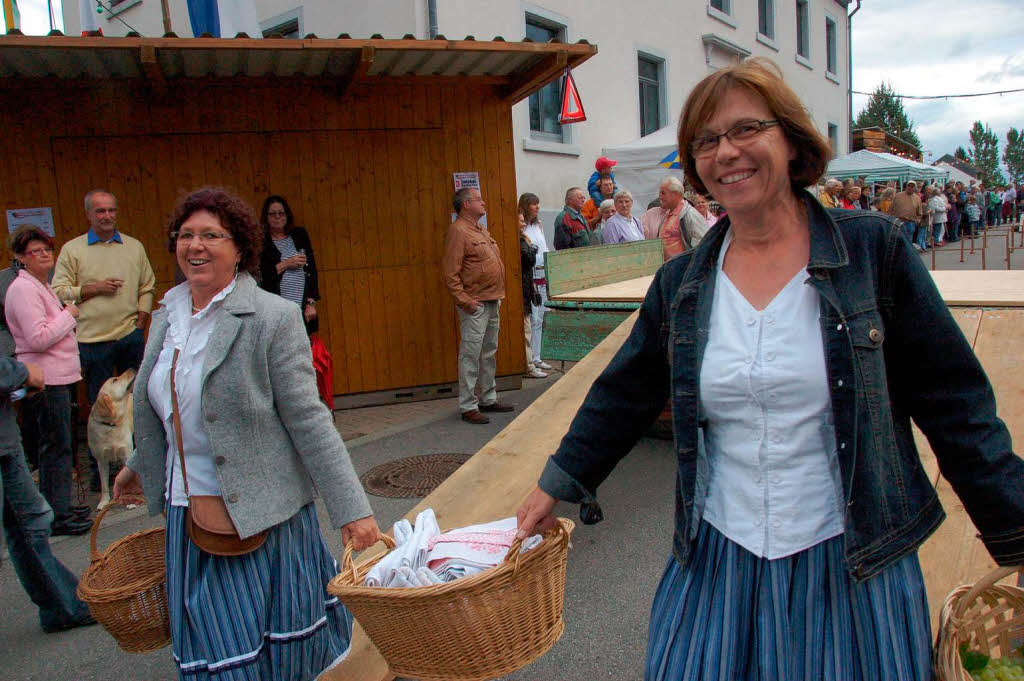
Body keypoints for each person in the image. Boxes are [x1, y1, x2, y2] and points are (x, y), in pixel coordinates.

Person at [515, 57, 1024, 681]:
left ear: (790, 138)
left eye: (745, 130)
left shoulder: (873, 252)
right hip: (719, 558)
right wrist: (557, 482)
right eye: (706, 141)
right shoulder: (683, 283)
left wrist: (1016, 537)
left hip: (853, 561)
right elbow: (625, 391)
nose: (725, 152)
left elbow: (957, 407)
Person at [112, 187, 379, 681]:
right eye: (186, 235)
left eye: (211, 235)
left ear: (239, 247)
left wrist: (352, 509)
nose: (196, 245)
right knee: (214, 647)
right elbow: (169, 406)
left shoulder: (272, 319)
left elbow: (309, 419)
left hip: (262, 516)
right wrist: (138, 463)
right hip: (186, 513)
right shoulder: (167, 317)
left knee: (274, 654)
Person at [51, 189, 155, 491]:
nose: (107, 216)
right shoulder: (73, 250)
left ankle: (140, 465)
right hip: (92, 340)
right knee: (101, 413)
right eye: (100, 212)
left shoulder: (134, 247)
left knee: (138, 405)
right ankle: (103, 475)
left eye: (111, 210)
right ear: (88, 215)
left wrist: (141, 318)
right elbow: (58, 291)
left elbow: (147, 285)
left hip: (129, 336)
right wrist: (92, 288)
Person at [1, 354, 97, 634]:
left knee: (29, 522)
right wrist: (21, 373)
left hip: (4, 437)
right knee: (29, 522)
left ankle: (62, 606)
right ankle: (63, 605)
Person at [4, 226, 90, 536]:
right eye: (35, 251)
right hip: (45, 378)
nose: (44, 255)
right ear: (20, 258)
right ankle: (58, 515)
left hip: (58, 376)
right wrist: (69, 315)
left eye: (47, 250)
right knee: (56, 447)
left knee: (60, 445)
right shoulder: (24, 289)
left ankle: (61, 507)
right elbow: (38, 338)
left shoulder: (42, 285)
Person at [441, 188, 514, 425]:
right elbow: (450, 272)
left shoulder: (479, 228)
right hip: (476, 304)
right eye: (479, 200)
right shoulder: (458, 230)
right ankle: (468, 405)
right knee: (471, 355)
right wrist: (464, 300)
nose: (484, 203)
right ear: (466, 204)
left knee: (488, 352)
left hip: (492, 298)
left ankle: (487, 398)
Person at [258, 195, 319, 335]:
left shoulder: (299, 235)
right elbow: (263, 277)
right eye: (272, 214)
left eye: (281, 213)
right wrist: (286, 264)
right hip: (276, 310)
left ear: (287, 214)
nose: (277, 217)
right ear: (266, 217)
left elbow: (312, 271)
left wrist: (310, 303)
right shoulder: (262, 242)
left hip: (302, 307)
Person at [517, 193, 553, 374]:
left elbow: (544, 247)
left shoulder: (537, 226)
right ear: (525, 206)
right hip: (531, 276)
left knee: (541, 318)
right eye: (533, 204)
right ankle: (530, 358)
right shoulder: (522, 228)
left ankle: (537, 357)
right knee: (533, 318)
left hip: (541, 272)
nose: (537, 207)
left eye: (538, 204)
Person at [641, 177, 708, 259]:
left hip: (683, 269)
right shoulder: (667, 214)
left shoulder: (690, 215)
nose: (659, 196)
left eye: (663, 193)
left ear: (675, 194)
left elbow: (703, 245)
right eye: (660, 193)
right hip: (668, 268)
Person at [519, 211, 545, 379]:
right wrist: (533, 249)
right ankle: (529, 365)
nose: (523, 224)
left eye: (523, 220)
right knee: (528, 327)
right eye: (520, 221)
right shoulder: (520, 240)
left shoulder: (527, 235)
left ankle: (534, 359)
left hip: (529, 284)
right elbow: (528, 258)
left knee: (535, 323)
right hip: (523, 288)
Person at [887, 181, 925, 251]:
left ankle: (907, 254)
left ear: (915, 188)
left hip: (910, 223)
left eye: (912, 186)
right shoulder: (898, 196)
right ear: (906, 187)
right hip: (898, 221)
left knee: (908, 241)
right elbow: (891, 208)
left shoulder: (917, 198)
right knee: (897, 239)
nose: (910, 188)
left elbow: (919, 212)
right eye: (909, 186)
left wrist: (917, 220)